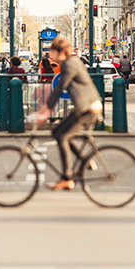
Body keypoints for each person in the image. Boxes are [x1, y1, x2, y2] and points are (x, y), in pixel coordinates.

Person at [33, 37, 103, 191]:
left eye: (52, 51)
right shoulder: (70, 62)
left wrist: (44, 113)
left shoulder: (69, 65)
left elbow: (58, 89)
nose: (50, 54)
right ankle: (85, 161)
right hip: (84, 107)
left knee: (63, 136)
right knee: (57, 131)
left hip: (89, 109)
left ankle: (67, 178)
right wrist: (44, 112)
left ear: (60, 53)